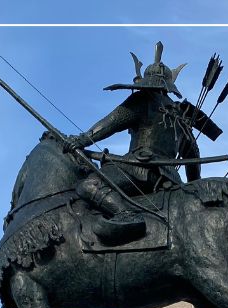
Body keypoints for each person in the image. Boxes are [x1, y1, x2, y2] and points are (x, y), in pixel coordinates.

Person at [64, 42, 202, 243]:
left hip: (139, 169)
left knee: (88, 185)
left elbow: (110, 123)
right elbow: (193, 156)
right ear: (168, 85)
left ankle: (125, 214)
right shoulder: (180, 115)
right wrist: (192, 188)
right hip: (171, 178)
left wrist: (81, 140)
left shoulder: (142, 100)